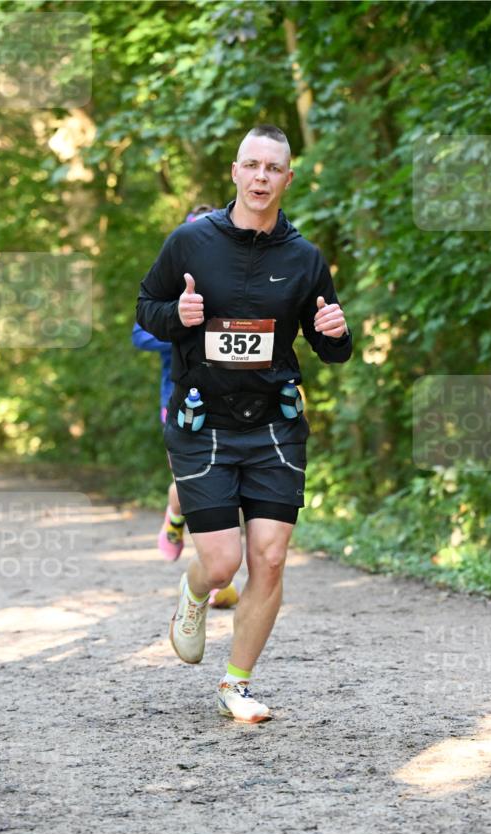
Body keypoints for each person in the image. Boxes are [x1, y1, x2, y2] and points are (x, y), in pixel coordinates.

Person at [136, 124, 351, 723]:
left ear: (288, 178)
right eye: (251, 166)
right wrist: (176, 315)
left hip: (275, 424)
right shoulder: (189, 242)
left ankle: (237, 684)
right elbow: (145, 309)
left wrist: (337, 336)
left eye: (272, 168)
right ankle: (195, 589)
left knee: (272, 557)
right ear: (234, 172)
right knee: (224, 561)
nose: (261, 178)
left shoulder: (305, 259)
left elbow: (328, 343)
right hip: (203, 420)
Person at [132, 207, 239, 608]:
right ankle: (209, 571)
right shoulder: (171, 284)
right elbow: (140, 333)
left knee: (230, 493)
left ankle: (215, 575)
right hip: (178, 403)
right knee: (196, 489)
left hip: (232, 405)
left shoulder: (234, 283)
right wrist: (183, 329)